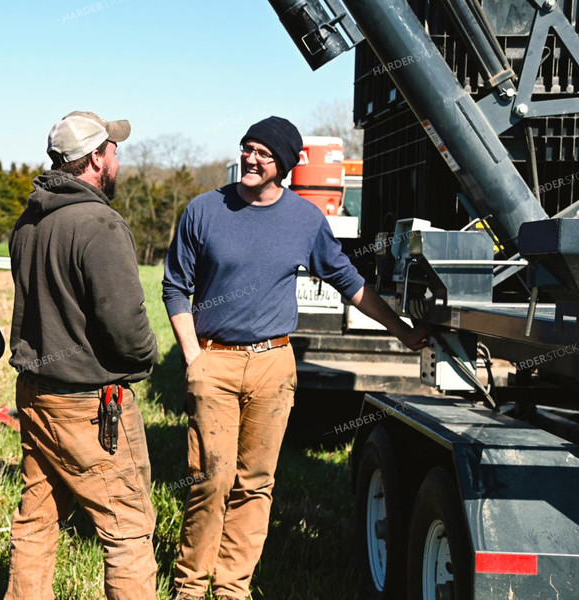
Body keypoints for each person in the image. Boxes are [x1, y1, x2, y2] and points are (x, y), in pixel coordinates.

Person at [162, 116, 430, 600]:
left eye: (263, 153)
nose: (250, 158)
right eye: (247, 148)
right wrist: (192, 358)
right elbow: (175, 287)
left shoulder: (304, 220)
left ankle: (231, 588)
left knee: (255, 483)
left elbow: (350, 284)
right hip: (214, 362)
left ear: (283, 165)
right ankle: (188, 586)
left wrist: (401, 331)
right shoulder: (204, 210)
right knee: (211, 478)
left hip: (273, 365)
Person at [4, 111, 159, 600]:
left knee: (37, 518)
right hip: (91, 405)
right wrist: (145, 359)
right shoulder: (99, 224)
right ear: (96, 159)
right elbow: (125, 325)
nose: (118, 157)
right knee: (128, 530)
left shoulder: (28, 221)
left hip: (35, 394)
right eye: (114, 150)